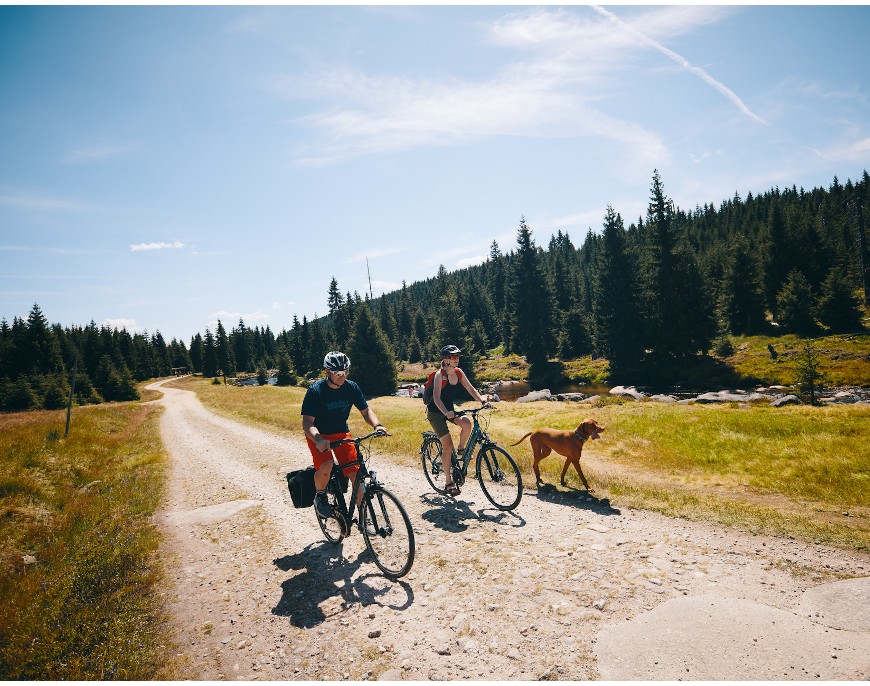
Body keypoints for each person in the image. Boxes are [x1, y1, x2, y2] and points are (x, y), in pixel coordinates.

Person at [302, 351, 387, 520]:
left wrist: (377, 425)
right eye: (338, 373)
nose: (343, 376)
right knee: (326, 466)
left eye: (346, 372)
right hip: (319, 435)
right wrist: (318, 439)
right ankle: (320, 496)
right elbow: (307, 423)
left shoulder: (351, 387)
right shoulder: (315, 391)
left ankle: (365, 518)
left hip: (341, 433)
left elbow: (365, 411)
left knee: (355, 472)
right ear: (327, 372)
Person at [425, 344, 490, 496]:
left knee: (467, 423)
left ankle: (461, 449)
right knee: (447, 446)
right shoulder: (439, 375)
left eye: (457, 357)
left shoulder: (459, 373)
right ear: (445, 359)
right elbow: (436, 397)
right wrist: (446, 412)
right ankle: (448, 483)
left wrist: (482, 401)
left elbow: (471, 389)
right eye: (453, 357)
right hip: (436, 412)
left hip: (449, 409)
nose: (456, 359)